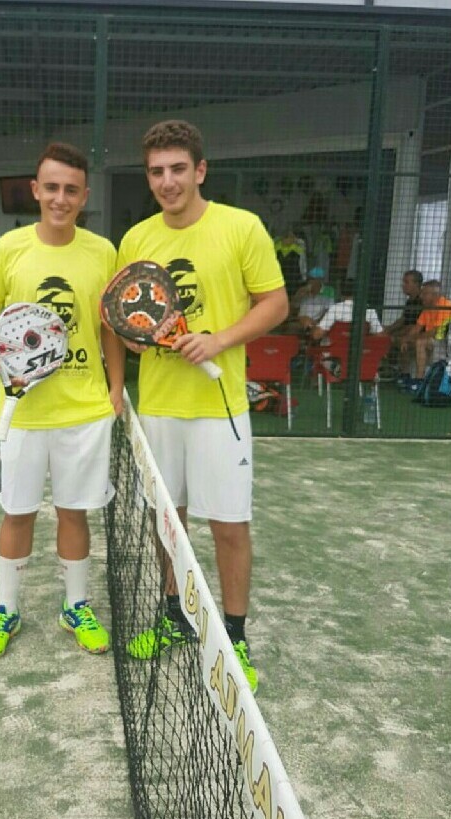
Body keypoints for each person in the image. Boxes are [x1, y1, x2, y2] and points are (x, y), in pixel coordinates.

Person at [116, 120, 288, 693]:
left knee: (229, 525)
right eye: (156, 172)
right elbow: (127, 315)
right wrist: (137, 340)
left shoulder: (241, 227)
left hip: (220, 407)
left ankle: (235, 636)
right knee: (168, 521)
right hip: (159, 406)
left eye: (178, 169)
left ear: (200, 170)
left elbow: (275, 303)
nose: (167, 182)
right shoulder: (136, 239)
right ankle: (176, 618)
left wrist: (218, 340)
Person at [0, 142, 124, 663]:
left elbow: (108, 328)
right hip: (23, 413)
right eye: (51, 187)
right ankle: (6, 611)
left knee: (74, 513)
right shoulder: (8, 249)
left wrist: (115, 389)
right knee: (18, 514)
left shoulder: (103, 252)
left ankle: (75, 607)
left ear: (85, 196)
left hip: (84, 412)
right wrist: (2, 359)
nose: (60, 198)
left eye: (71, 190)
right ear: (35, 190)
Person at [401, 279, 451, 389]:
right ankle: (405, 376)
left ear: (435, 296)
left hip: (445, 343)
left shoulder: (445, 306)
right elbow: (417, 328)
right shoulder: (427, 308)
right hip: (432, 340)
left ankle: (419, 381)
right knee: (404, 341)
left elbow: (435, 332)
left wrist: (413, 338)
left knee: (420, 342)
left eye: (425, 294)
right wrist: (405, 339)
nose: (421, 296)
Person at [311, 278, 384, 342]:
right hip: (360, 351)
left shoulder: (335, 309)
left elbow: (316, 335)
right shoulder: (369, 310)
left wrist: (313, 326)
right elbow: (380, 335)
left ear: (340, 292)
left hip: (336, 350)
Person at [382, 269, 423, 381]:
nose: (403, 285)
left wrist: (393, 334)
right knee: (385, 336)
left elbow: (415, 326)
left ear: (416, 284)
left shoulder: (422, 301)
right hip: (407, 331)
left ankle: (403, 373)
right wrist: (387, 329)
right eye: (403, 282)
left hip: (418, 334)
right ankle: (392, 368)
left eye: (406, 282)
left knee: (398, 339)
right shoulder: (410, 301)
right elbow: (403, 320)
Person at [283, 266, 333, 335]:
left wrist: (318, 322)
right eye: (309, 279)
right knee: (293, 326)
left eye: (312, 279)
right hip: (300, 321)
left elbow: (329, 311)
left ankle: (309, 328)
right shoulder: (302, 292)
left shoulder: (327, 293)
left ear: (319, 281)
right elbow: (291, 310)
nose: (310, 282)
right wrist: (297, 297)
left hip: (317, 322)